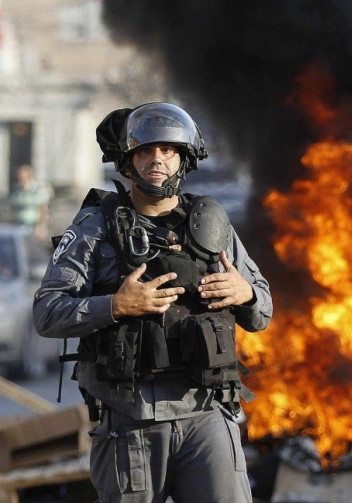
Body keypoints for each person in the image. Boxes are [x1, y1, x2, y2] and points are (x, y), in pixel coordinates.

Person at [33, 102, 272, 503]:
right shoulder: (95, 228)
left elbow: (263, 310)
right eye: (145, 150)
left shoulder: (211, 224)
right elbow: (47, 312)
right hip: (131, 426)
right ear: (128, 162)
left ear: (184, 159)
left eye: (168, 150)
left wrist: (244, 293)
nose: (157, 159)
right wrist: (114, 305)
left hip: (207, 417)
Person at [9, 164, 52, 242]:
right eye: (20, 176)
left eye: (23, 176)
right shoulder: (16, 189)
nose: (21, 178)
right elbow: (12, 209)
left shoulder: (37, 189)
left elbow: (44, 210)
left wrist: (40, 228)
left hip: (33, 229)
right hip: (18, 227)